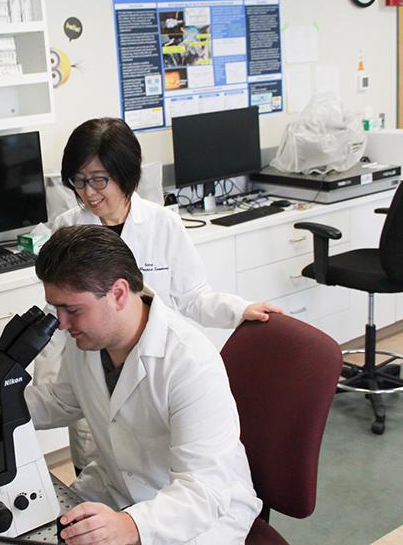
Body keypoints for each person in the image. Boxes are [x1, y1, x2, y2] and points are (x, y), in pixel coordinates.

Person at [34, 117, 281, 470]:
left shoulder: (162, 224)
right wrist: (46, 391)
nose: (89, 193)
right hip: (92, 372)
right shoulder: (68, 229)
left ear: (127, 175)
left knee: (154, 471)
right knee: (99, 474)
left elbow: (192, 297)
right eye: (79, 180)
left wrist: (239, 310)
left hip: (150, 374)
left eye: (99, 179)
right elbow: (59, 320)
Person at [25, 225, 261, 545]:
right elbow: (61, 402)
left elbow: (205, 490)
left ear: (119, 293)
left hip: (196, 515)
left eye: (73, 310)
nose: (62, 324)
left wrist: (132, 525)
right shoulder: (89, 342)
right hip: (117, 487)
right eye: (57, 308)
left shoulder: (189, 363)